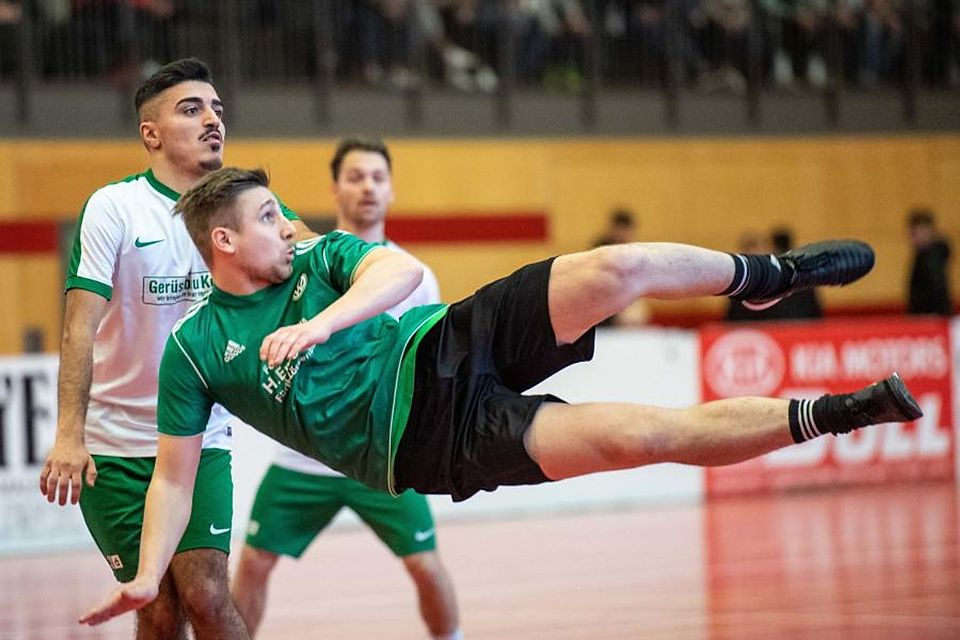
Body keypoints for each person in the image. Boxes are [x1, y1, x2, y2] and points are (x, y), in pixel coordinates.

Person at [80, 166, 924, 626]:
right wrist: (149, 573)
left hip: (447, 340)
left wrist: (320, 324)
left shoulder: (317, 255)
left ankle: (765, 276)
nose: (285, 224)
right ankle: (836, 413)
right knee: (641, 438)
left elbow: (399, 271)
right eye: (268, 218)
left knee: (616, 267)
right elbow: (174, 477)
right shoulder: (195, 351)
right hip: (431, 443)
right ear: (225, 241)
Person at [38, 59, 308, 640]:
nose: (213, 119)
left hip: (199, 438)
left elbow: (310, 253)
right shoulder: (114, 207)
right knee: (158, 611)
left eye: (217, 109)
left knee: (207, 595)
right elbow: (78, 329)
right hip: (114, 448)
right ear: (151, 133)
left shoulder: (248, 204)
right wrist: (69, 435)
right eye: (192, 109)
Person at [230, 138, 462, 640]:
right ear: (335, 188)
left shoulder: (415, 277)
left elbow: (426, 367)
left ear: (391, 189)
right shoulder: (301, 262)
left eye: (378, 177)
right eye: (355, 177)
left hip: (380, 458)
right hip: (303, 461)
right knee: (252, 562)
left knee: (425, 565)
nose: (367, 187)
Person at [906, 207, 953, 316]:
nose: (914, 238)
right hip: (929, 315)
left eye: (917, 233)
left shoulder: (932, 257)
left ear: (930, 231)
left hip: (930, 316)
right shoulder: (924, 255)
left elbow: (938, 287)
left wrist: (936, 313)